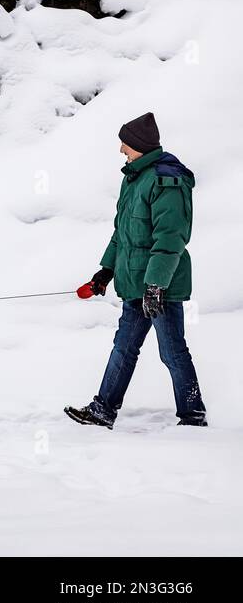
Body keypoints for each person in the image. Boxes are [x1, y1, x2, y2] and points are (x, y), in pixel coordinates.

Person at [66, 112, 207, 428]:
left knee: (172, 352)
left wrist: (156, 285)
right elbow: (123, 234)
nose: (121, 149)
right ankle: (103, 409)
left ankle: (193, 416)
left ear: (140, 145)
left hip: (161, 286)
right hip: (134, 284)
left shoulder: (167, 179)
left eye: (125, 143)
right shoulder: (134, 180)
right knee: (124, 347)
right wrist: (106, 271)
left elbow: (171, 238)